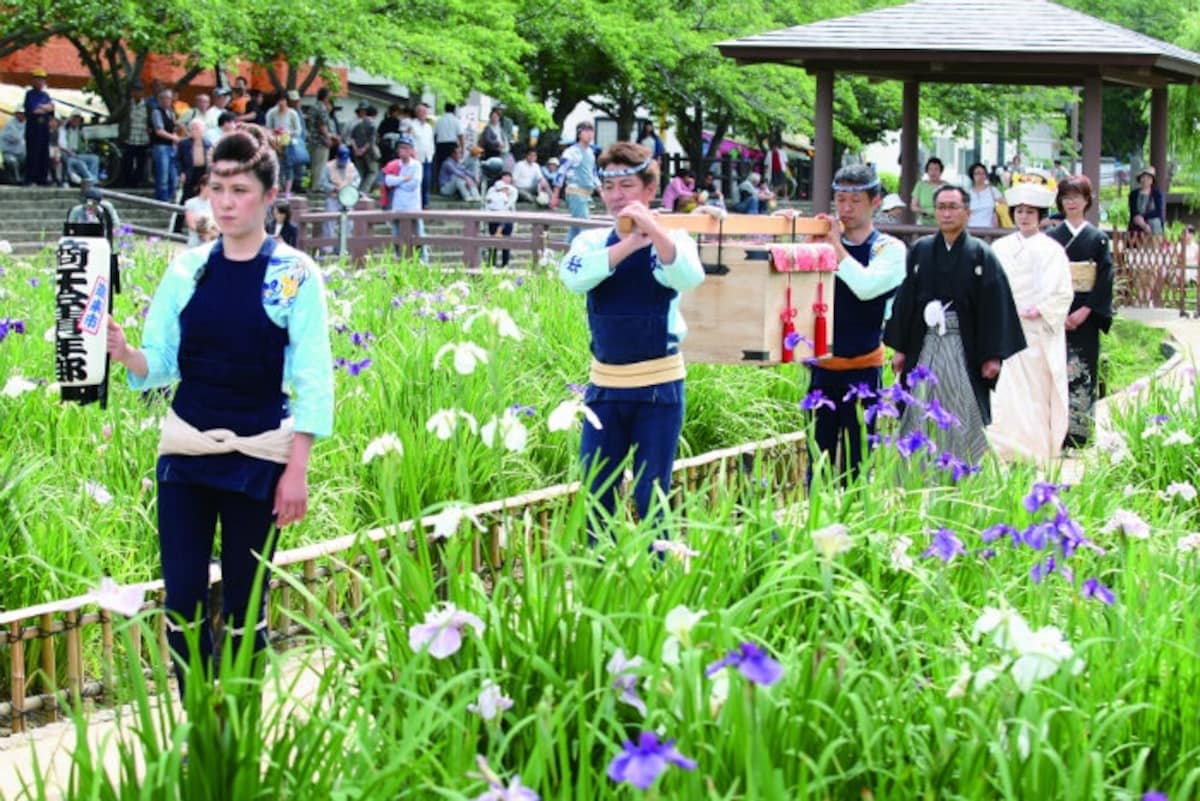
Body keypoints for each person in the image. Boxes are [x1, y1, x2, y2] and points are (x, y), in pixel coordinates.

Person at [104, 124, 333, 697]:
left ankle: (239, 729)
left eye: (240, 190)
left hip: (260, 455)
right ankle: (198, 726)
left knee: (244, 604)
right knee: (181, 600)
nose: (226, 203)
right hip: (186, 451)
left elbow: (311, 378)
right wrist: (124, 351)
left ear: (269, 196)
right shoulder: (188, 269)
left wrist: (296, 471)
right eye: (217, 189)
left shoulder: (295, 274)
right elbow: (159, 361)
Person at [557, 141, 704, 537]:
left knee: (651, 493)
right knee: (595, 490)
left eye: (626, 185)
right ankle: (596, 577)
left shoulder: (674, 240)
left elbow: (689, 276)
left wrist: (653, 231)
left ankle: (657, 580)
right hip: (605, 387)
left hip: (659, 387)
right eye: (609, 187)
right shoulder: (590, 243)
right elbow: (573, 277)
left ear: (650, 189)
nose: (616, 196)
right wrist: (627, 245)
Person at [883, 185, 1026, 465]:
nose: (946, 213)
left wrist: (992, 355)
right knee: (920, 401)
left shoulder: (981, 254)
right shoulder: (922, 250)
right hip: (924, 343)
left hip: (964, 345)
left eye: (953, 207)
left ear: (967, 213)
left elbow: (996, 306)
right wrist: (900, 348)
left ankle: (963, 465)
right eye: (941, 207)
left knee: (962, 404)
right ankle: (916, 465)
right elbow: (906, 300)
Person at [799, 165, 908, 480]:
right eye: (840, 199)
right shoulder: (822, 243)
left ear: (875, 202)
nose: (845, 208)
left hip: (862, 370)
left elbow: (865, 288)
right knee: (816, 466)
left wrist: (834, 245)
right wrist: (802, 237)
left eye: (855, 200)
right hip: (821, 370)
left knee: (856, 464)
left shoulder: (889, 249)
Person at [988, 183, 1074, 464]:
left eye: (1030, 212)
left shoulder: (1052, 249)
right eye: (1020, 211)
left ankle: (1035, 452)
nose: (1024, 217)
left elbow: (1063, 292)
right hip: (1003, 329)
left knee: (1034, 394)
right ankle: (1003, 450)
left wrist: (1042, 309)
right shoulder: (999, 247)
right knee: (1004, 394)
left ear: (1040, 215)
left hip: (1036, 333)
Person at [1045, 175, 1114, 448]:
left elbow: (1105, 278)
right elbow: (1045, 280)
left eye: (1077, 196)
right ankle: (1054, 434)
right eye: (1066, 197)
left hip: (1084, 316)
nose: (1071, 202)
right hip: (1056, 316)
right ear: (1060, 202)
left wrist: (1086, 310)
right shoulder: (1050, 238)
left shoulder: (1098, 239)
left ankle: (1080, 436)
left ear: (1087, 200)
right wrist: (1057, 313)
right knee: (1055, 372)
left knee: (1083, 372)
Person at [549, 121, 598, 243]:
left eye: (591, 131)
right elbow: (561, 172)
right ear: (579, 133)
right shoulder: (571, 152)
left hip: (587, 192)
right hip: (575, 191)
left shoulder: (591, 153)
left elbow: (594, 174)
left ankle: (564, 255)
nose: (589, 134)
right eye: (586, 131)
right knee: (584, 227)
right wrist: (555, 195)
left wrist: (601, 191)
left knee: (576, 229)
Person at [381, 135, 424, 259]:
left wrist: (397, 183)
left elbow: (414, 184)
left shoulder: (416, 165)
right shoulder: (394, 165)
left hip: (413, 206)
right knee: (396, 236)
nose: (403, 151)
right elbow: (388, 181)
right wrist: (404, 179)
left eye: (406, 148)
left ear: (411, 150)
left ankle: (422, 261)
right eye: (400, 148)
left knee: (418, 236)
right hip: (397, 206)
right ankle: (398, 258)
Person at [318, 145, 361, 242]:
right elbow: (322, 183)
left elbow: (357, 179)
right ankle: (327, 249)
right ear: (336, 157)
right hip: (333, 198)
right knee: (329, 223)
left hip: (347, 198)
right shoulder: (328, 166)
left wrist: (352, 187)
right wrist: (333, 188)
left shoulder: (351, 166)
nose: (343, 163)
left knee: (349, 223)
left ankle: (345, 247)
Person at [265, 92, 304, 196]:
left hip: (289, 143)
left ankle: (287, 190)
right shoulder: (272, 113)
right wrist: (275, 133)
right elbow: (268, 128)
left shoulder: (292, 113)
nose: (281, 103)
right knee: (277, 165)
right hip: (276, 143)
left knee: (288, 166)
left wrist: (288, 133)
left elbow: (298, 130)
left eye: (283, 100)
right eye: (279, 101)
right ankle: (278, 187)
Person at [23, 68, 56, 186]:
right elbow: (33, 110)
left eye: (42, 80)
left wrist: (44, 107)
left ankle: (42, 178)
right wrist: (45, 107)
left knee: (43, 154)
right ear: (34, 80)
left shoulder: (45, 95)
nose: (40, 82)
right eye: (38, 79)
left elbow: (52, 108)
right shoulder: (29, 94)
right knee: (33, 154)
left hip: (44, 129)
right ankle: (30, 179)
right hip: (33, 128)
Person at [150, 88, 180, 202]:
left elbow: (173, 129)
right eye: (165, 98)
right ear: (159, 99)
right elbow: (159, 131)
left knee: (173, 175)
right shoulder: (156, 112)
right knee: (163, 174)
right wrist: (174, 138)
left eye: (169, 98)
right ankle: (162, 199)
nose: (167, 100)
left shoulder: (171, 112)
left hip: (171, 146)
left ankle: (170, 197)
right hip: (160, 146)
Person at [484, 171, 519, 267]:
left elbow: (510, 203)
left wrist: (504, 198)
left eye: (509, 176)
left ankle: (505, 264)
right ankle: (491, 263)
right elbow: (488, 201)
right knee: (493, 240)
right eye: (505, 176)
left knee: (506, 242)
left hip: (507, 217)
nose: (507, 178)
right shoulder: (492, 190)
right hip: (493, 217)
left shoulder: (513, 190)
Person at [120, 81, 151, 188]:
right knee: (127, 161)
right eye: (134, 91)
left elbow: (152, 120)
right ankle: (127, 182)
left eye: (139, 91)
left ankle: (138, 181)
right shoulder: (128, 105)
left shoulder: (148, 106)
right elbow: (118, 116)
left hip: (143, 139)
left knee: (141, 163)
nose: (136, 93)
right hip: (130, 138)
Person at [1127, 165, 1165, 240]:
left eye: (1148, 178)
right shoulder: (1133, 194)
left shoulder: (1157, 194)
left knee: (1155, 222)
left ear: (1152, 181)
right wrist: (1142, 224)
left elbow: (1158, 212)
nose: (1145, 180)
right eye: (1143, 177)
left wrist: (1144, 219)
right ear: (1140, 179)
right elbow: (1133, 211)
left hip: (1153, 226)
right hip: (1137, 224)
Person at [410, 102, 436, 208]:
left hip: (427, 156)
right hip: (416, 157)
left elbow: (430, 141)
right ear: (417, 113)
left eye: (425, 111)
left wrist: (432, 153)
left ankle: (425, 202)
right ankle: (416, 203)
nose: (423, 113)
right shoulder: (412, 125)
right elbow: (409, 140)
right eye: (421, 111)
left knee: (427, 180)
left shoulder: (429, 127)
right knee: (417, 180)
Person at [432, 102, 464, 186]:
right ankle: (450, 184)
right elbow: (461, 135)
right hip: (452, 145)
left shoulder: (439, 120)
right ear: (454, 110)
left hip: (440, 145)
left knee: (440, 165)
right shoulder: (456, 120)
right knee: (453, 165)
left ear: (444, 109)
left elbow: (434, 134)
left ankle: (439, 185)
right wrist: (462, 148)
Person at [349, 102, 378, 192]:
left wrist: (356, 150)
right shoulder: (372, 125)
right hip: (369, 154)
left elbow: (352, 138)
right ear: (374, 115)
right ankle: (363, 191)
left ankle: (355, 191)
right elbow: (371, 141)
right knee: (372, 172)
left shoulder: (358, 125)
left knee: (359, 173)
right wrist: (363, 149)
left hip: (357, 153)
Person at [909, 156, 945, 226]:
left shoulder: (946, 186)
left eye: (936, 169)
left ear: (941, 171)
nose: (933, 172)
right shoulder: (920, 185)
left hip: (942, 223)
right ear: (927, 171)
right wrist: (923, 212)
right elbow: (913, 206)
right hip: (923, 223)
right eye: (930, 169)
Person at [965, 161, 1001, 229]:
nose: (981, 176)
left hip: (990, 231)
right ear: (972, 175)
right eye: (977, 173)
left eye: (983, 173)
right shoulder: (967, 193)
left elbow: (1004, 207)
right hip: (971, 230)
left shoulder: (993, 191)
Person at [183, 172, 214, 247]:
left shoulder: (215, 204)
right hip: (195, 239)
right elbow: (190, 223)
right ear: (202, 186)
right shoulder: (190, 203)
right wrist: (202, 231)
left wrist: (211, 233)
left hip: (210, 240)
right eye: (209, 186)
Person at [1, 111, 25, 184]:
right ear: (16, 114)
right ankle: (16, 179)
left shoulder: (26, 124)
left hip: (20, 151)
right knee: (13, 162)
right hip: (8, 151)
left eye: (23, 114)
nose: (22, 115)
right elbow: (9, 137)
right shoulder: (9, 124)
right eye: (20, 113)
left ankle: (24, 178)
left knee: (28, 158)